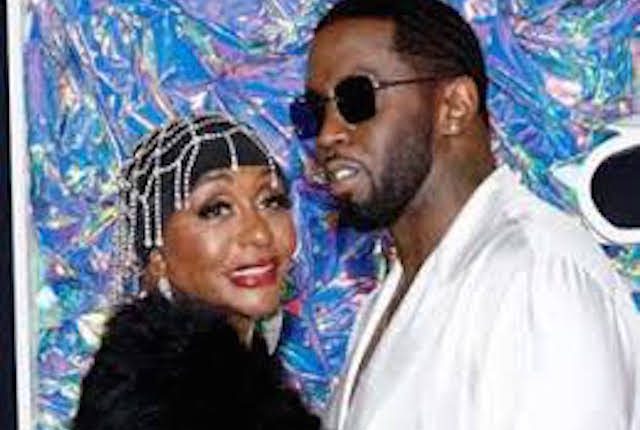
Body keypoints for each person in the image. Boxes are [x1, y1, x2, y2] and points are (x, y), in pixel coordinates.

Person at [288, 0, 640, 429]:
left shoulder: (534, 276)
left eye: (357, 97)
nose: (327, 134)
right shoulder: (395, 292)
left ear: (454, 105)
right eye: (314, 111)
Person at [73, 114, 320, 430]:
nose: (259, 233)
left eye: (271, 201)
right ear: (158, 257)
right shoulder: (150, 403)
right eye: (217, 209)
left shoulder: (247, 384)